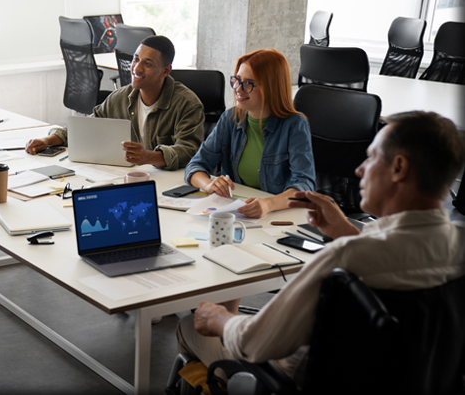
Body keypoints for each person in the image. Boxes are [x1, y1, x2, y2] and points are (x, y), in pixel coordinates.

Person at [176, 111, 465, 387]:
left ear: (399, 168)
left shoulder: (344, 259)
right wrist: (346, 233)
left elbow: (254, 342)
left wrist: (217, 318)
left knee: (189, 325)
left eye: (371, 157)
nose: (359, 170)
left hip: (295, 377)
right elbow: (398, 258)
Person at [25, 35, 205, 170]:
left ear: (165, 71)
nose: (137, 68)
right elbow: (86, 126)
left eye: (148, 64)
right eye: (136, 59)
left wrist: (148, 157)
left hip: (170, 182)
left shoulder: (187, 104)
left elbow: (190, 150)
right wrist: (48, 140)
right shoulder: (120, 97)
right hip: (129, 176)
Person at [185, 49, 316, 219]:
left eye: (248, 83)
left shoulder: (295, 125)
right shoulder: (230, 118)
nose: (238, 89)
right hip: (236, 213)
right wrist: (209, 185)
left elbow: (305, 186)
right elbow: (195, 165)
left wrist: (268, 204)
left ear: (271, 87)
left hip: (277, 217)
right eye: (237, 80)